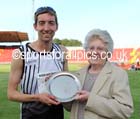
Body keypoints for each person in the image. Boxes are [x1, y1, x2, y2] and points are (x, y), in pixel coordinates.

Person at [7, 6, 68, 119]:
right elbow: (11, 94)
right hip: (31, 115)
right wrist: (38, 97)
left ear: (56, 26)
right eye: (41, 23)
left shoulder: (62, 51)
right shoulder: (20, 53)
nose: (46, 28)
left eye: (51, 23)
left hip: (57, 114)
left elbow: (65, 84)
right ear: (35, 26)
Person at [64, 29, 133, 119]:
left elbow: (125, 110)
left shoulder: (118, 74)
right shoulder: (77, 75)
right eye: (91, 48)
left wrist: (90, 99)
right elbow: (70, 107)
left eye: (100, 49)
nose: (94, 52)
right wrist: (62, 91)